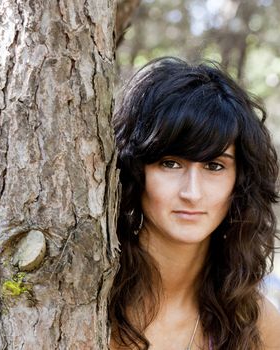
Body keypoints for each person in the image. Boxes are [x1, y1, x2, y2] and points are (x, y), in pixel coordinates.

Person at [110, 57, 280, 349]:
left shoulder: (258, 323)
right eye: (170, 163)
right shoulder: (84, 300)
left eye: (214, 166)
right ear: (136, 169)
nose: (192, 192)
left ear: (239, 182)